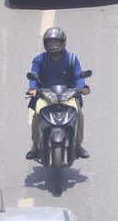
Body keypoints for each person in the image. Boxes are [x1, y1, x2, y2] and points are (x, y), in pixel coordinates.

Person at [26, 27, 89, 161]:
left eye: (56, 42)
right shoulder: (40, 59)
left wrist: (82, 88)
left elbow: (79, 76)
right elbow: (33, 76)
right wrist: (33, 89)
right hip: (46, 95)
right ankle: (35, 146)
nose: (53, 45)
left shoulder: (72, 59)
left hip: (68, 95)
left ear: (62, 43)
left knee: (79, 113)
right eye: (50, 43)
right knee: (37, 113)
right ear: (46, 44)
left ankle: (78, 145)